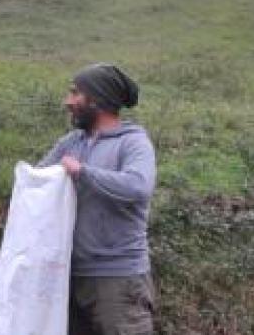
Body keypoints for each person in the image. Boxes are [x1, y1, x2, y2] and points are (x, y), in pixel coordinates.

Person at [38, 63, 157, 335]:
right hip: (70, 276)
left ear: (98, 99)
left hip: (118, 280)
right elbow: (39, 181)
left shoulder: (133, 143)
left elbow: (138, 186)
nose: (68, 102)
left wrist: (83, 172)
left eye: (75, 93)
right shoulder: (72, 142)